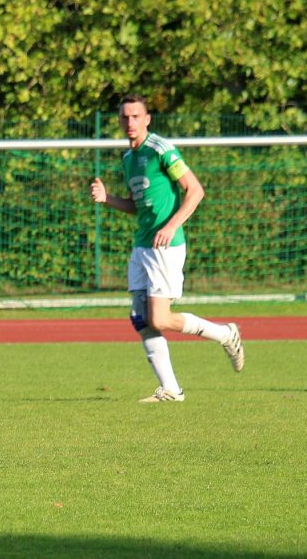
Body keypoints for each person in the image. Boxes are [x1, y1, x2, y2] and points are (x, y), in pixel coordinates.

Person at [90, 94, 245, 402]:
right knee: (140, 319)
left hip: (166, 246)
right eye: (125, 117)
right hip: (142, 247)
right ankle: (171, 389)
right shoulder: (128, 158)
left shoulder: (160, 149)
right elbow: (136, 206)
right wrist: (108, 199)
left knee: (159, 319)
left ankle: (226, 334)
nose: (130, 122)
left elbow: (195, 190)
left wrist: (172, 225)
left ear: (147, 119)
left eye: (136, 116)